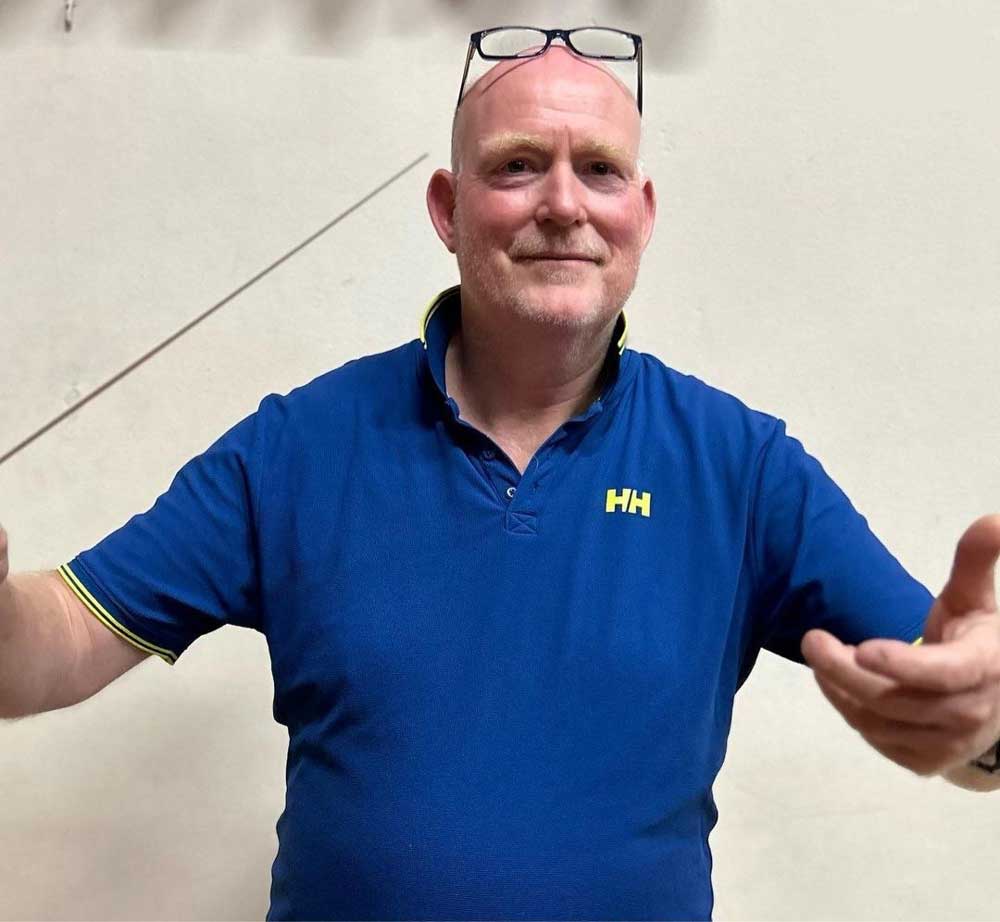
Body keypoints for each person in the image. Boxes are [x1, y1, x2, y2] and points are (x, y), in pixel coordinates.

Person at [2, 27, 1000, 922]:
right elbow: (58, 642)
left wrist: (985, 718)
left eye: (599, 169)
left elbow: (952, 697)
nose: (563, 204)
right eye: (518, 165)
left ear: (641, 211)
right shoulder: (297, 446)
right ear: (449, 208)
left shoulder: (741, 466)